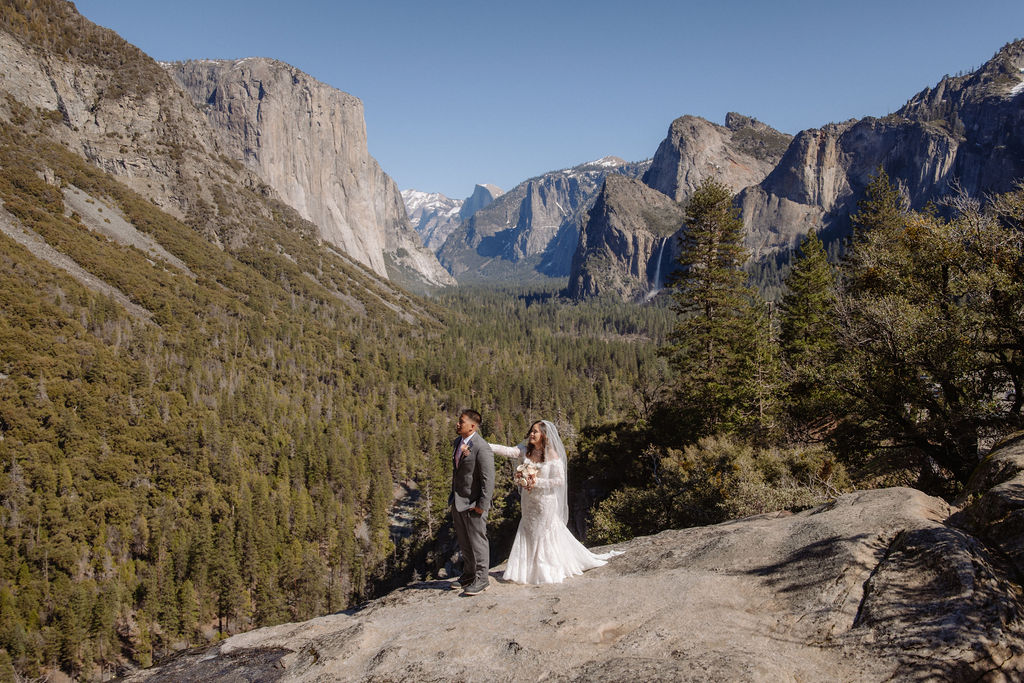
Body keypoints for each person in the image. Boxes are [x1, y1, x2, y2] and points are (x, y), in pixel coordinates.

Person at [490, 420, 621, 584]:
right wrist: (484, 445)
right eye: (531, 431)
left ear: (544, 435)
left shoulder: (552, 455)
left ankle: (545, 570)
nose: (531, 434)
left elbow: (559, 480)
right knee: (528, 530)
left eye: (535, 431)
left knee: (543, 532)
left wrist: (536, 483)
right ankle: (528, 570)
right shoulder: (525, 451)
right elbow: (507, 450)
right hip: (528, 501)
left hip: (545, 502)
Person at [448, 409, 495, 596]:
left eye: (461, 422)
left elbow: (488, 479)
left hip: (474, 503)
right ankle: (468, 574)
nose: (458, 424)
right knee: (464, 541)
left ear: (472, 426)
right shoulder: (458, 442)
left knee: (478, 541)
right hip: (458, 501)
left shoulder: (482, 447)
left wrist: (482, 505)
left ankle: (482, 578)